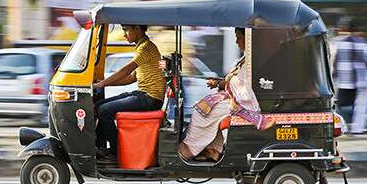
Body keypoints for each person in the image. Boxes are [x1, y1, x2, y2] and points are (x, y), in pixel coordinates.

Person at [178, 28, 275, 162]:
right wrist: (220, 82)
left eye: (239, 38)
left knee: (200, 113)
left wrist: (220, 84)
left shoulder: (251, 61)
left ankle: (189, 150)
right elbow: (234, 80)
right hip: (233, 97)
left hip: (241, 102)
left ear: (248, 39)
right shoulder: (246, 58)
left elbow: (241, 85)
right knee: (204, 107)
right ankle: (213, 151)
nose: (236, 42)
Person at [93, 24, 166, 162]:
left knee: (103, 110)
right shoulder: (141, 46)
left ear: (137, 29)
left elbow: (126, 70)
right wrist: (102, 83)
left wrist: (101, 83)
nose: (124, 34)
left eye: (126, 29)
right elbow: (132, 77)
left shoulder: (146, 47)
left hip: (150, 98)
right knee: (99, 106)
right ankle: (100, 148)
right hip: (143, 94)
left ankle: (116, 152)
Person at [332, 17, 367, 135]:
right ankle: (357, 129)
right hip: (360, 82)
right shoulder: (362, 43)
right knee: (361, 106)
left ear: (340, 28)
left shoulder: (335, 43)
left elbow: (330, 61)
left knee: (334, 105)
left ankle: (339, 128)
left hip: (340, 82)